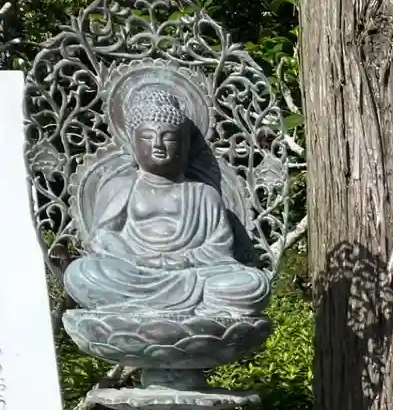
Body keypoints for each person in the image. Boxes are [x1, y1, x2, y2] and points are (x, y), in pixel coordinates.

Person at [64, 82, 270, 317]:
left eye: (169, 138)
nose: (158, 145)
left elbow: (219, 249)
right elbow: (101, 238)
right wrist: (136, 258)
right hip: (136, 272)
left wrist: (176, 261)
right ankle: (190, 310)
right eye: (147, 137)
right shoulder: (121, 186)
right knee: (82, 272)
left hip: (191, 274)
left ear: (184, 144)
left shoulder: (204, 194)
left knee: (253, 284)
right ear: (132, 142)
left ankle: (146, 309)